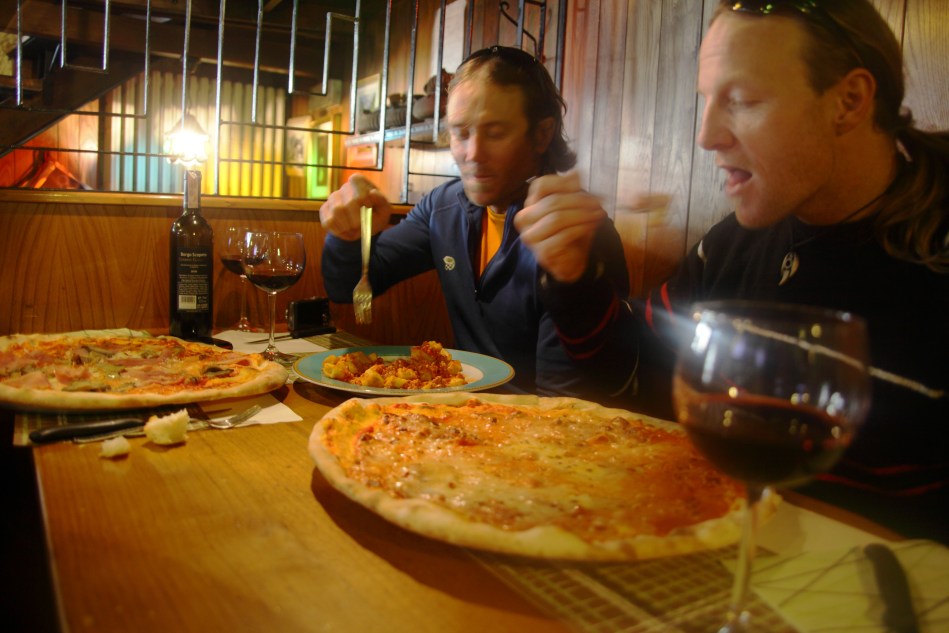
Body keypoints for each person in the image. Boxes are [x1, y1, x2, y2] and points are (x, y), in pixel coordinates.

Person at [562, 0, 946, 541]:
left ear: (849, 101)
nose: (706, 136)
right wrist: (572, 277)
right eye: (707, 101)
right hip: (726, 555)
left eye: (741, 101)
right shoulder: (732, 245)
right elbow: (631, 367)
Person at [319, 45, 637, 399]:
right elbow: (349, 287)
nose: (473, 154)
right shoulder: (443, 207)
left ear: (541, 134)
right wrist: (348, 235)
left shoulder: (572, 231)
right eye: (460, 133)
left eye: (495, 133)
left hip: (530, 423)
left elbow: (565, 400)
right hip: (458, 407)